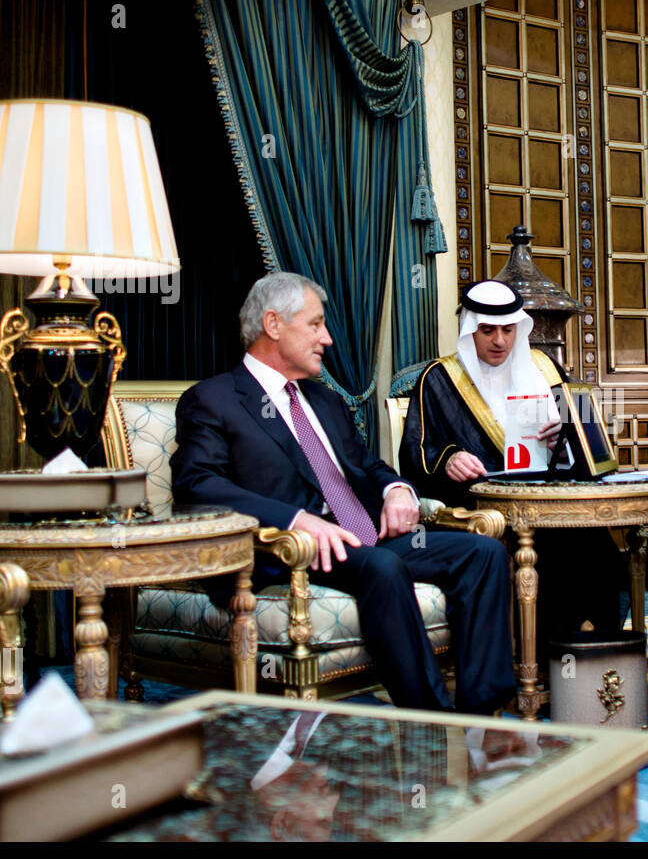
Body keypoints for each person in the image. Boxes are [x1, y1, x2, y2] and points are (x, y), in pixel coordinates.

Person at [171, 271, 515, 715]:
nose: (328, 339)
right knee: (383, 565)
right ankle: (432, 718)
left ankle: (482, 714)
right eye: (315, 325)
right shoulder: (214, 399)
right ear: (273, 325)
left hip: (365, 539)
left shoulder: (325, 400)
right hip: (290, 553)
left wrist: (396, 491)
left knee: (483, 553)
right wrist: (296, 521)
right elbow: (198, 486)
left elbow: (369, 466)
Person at [399, 280, 626, 638]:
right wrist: (448, 458)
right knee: (550, 548)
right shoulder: (438, 379)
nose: (499, 341)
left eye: (507, 329)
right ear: (470, 330)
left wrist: (563, 439)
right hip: (483, 507)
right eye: (487, 330)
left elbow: (588, 438)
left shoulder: (547, 367)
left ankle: (598, 651)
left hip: (550, 500)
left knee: (596, 540)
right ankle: (550, 656)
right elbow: (414, 452)